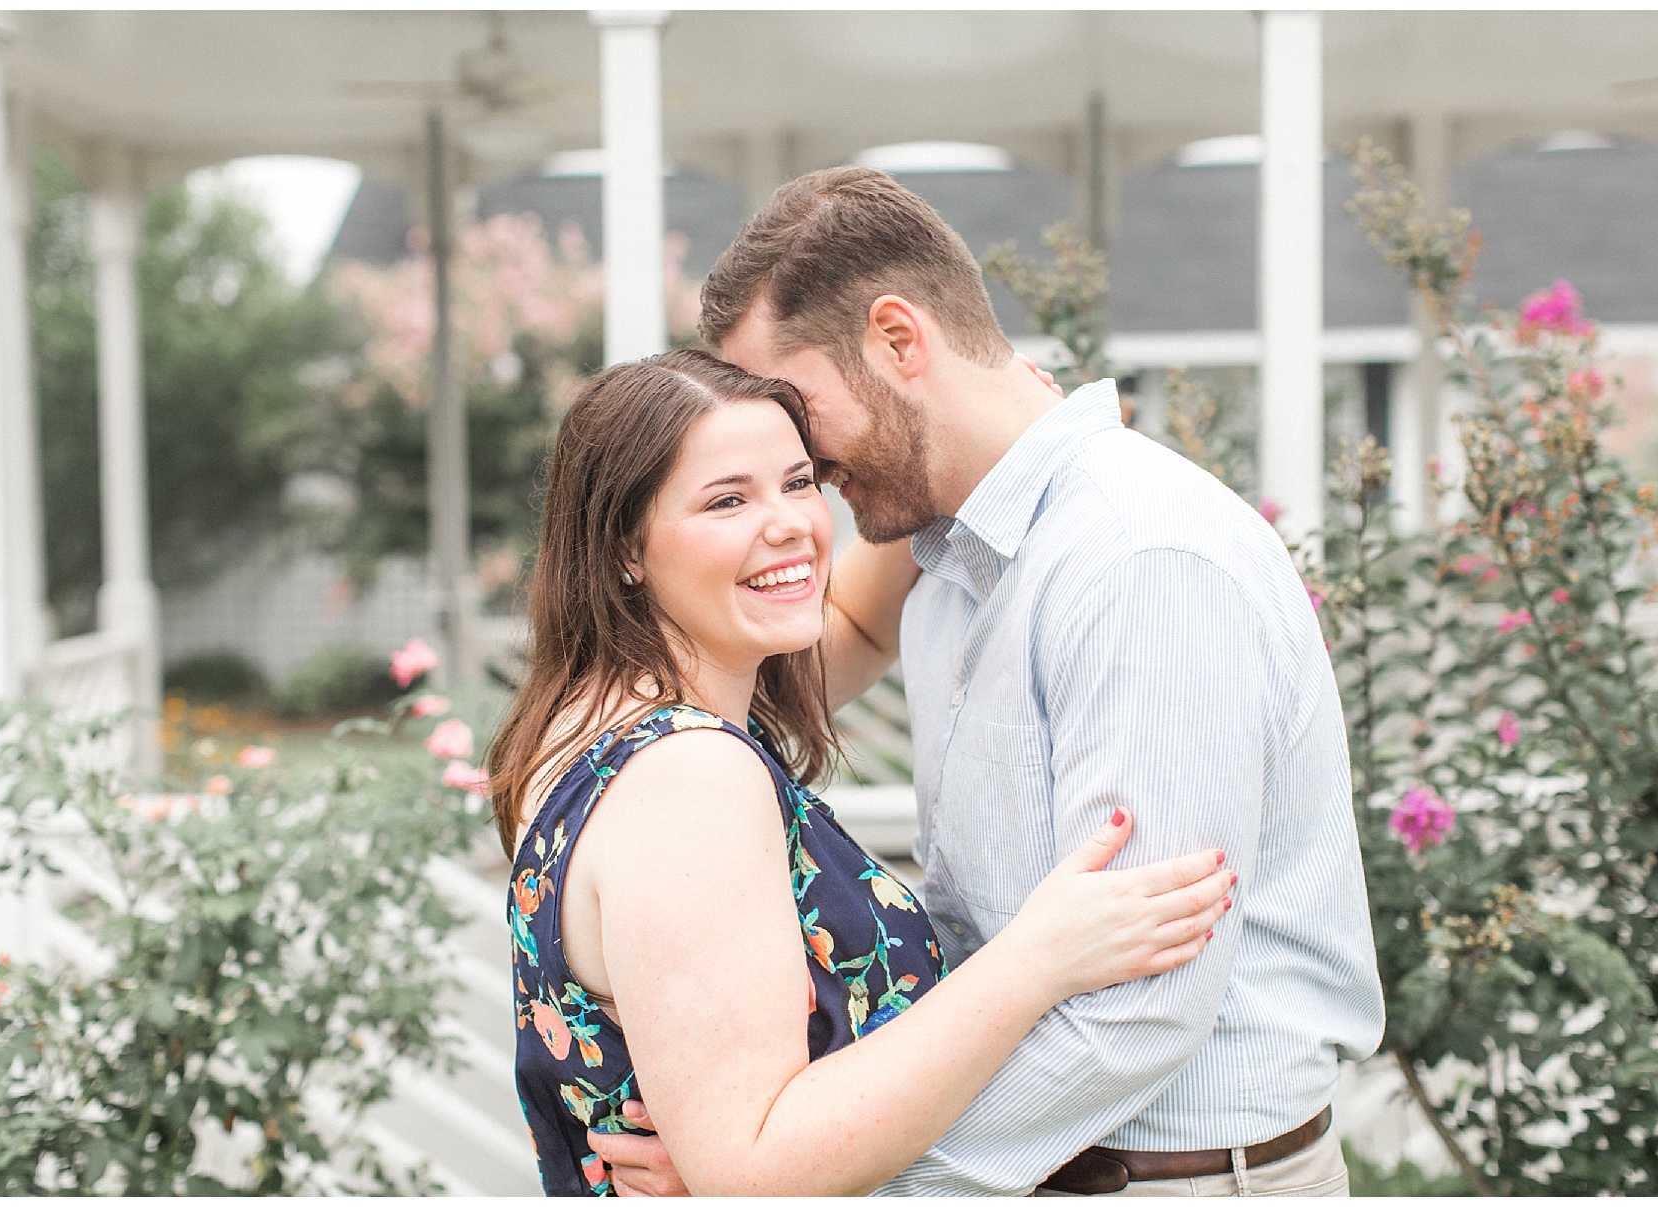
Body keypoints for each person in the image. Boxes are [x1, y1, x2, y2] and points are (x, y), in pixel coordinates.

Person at [588, 168, 1385, 1196]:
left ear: (898, 339)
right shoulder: (949, 554)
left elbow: (1137, 1011)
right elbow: (780, 658)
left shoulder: (1136, 562)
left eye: (796, 412)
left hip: (1168, 1178)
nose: (801, 457)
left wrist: (840, 1178)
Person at [487, 348, 1236, 1196]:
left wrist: (997, 426)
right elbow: (752, 1171)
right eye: (727, 498)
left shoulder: (583, 721)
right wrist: (1035, 959)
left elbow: (854, 618)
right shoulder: (687, 777)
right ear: (626, 546)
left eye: (801, 482)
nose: (790, 524)